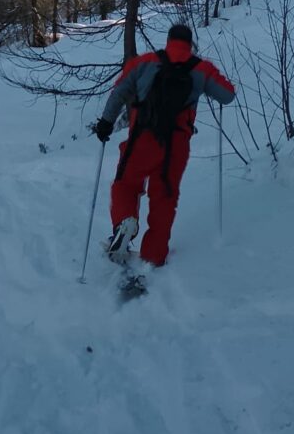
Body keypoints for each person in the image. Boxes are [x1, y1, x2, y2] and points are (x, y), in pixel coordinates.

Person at [93, 23, 235, 267]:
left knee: (126, 184)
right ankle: (154, 255)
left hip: (142, 137)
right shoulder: (201, 68)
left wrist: (106, 123)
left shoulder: (144, 62)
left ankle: (125, 222)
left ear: (168, 40)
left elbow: (119, 92)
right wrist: (207, 75)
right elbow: (227, 95)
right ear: (190, 44)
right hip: (177, 145)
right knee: (165, 197)